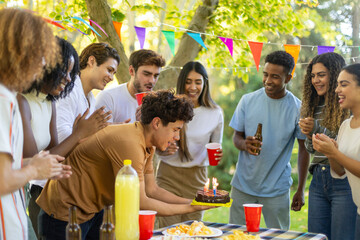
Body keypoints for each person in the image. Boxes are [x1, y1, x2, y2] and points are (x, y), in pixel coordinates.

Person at [37, 90, 213, 240]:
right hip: (64, 213)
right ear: (157, 123)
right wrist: (192, 207)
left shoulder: (146, 143)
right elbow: (142, 202)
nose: (177, 137)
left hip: (91, 210)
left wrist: (193, 201)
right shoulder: (130, 143)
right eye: (175, 130)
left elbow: (152, 190)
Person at [17, 37, 108, 238]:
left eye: (71, 73)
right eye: (64, 71)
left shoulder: (49, 103)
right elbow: (35, 165)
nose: (68, 79)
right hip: (20, 190)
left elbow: (56, 156)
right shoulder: (21, 101)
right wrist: (78, 134)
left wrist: (83, 135)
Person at [0, 8, 71, 240]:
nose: (43, 64)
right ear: (20, 51)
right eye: (41, 54)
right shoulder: (4, 100)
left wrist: (37, 163)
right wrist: (34, 169)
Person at [228, 51, 309, 230]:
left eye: (275, 76)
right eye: (265, 74)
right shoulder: (247, 100)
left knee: (279, 236)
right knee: (236, 235)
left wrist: (301, 189)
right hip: (243, 185)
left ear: (288, 77)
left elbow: (304, 149)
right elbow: (236, 137)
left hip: (277, 189)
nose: (267, 80)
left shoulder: (298, 108)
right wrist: (244, 144)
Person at [156, 61, 224, 228]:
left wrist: (217, 155)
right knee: (168, 230)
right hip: (168, 177)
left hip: (197, 178)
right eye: (188, 81)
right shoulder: (169, 108)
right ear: (181, 82)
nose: (192, 87)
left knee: (193, 230)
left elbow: (215, 147)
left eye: (198, 82)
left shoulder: (215, 113)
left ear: (204, 84)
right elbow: (155, 143)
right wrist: (163, 150)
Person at [298, 52, 356, 239]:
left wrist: (316, 128)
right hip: (318, 178)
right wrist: (310, 134)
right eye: (313, 76)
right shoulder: (314, 105)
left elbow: (341, 144)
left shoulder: (347, 105)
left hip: (343, 179)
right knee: (316, 237)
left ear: (335, 75)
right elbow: (312, 149)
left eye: (321, 75)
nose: (316, 80)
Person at [312, 63, 360, 240]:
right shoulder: (346, 126)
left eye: (344, 84)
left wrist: (335, 153)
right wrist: (330, 152)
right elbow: (340, 171)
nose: (336, 89)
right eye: (338, 84)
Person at [56, 42, 119, 143]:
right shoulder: (69, 89)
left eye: (113, 73)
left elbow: (87, 133)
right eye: (109, 70)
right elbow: (61, 135)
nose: (111, 78)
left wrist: (113, 130)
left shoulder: (90, 98)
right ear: (92, 61)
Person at [95, 49, 165, 123]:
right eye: (146, 74)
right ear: (131, 71)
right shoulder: (108, 98)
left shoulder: (159, 104)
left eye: (156, 76)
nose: (152, 81)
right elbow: (100, 134)